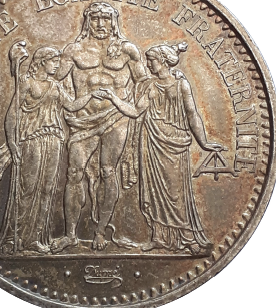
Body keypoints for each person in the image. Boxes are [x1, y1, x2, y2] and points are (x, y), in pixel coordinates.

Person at [95, 42, 224, 256]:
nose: (148, 65)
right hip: (152, 142)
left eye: (151, 60)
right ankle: (159, 237)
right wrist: (113, 98)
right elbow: (135, 111)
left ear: (163, 61)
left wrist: (203, 142)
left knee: (176, 193)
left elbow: (192, 114)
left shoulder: (181, 84)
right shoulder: (150, 86)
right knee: (154, 192)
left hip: (175, 144)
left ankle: (188, 237)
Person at [50, 2, 148, 253]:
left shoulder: (128, 50)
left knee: (108, 171)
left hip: (116, 118)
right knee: (74, 173)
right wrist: (70, 104)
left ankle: (101, 231)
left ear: (114, 22)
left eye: (105, 19)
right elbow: (54, 80)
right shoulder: (74, 50)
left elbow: (144, 82)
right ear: (87, 22)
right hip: (83, 119)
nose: (100, 24)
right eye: (95, 19)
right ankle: (70, 234)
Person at [0, 46, 97, 255]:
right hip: (32, 139)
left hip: (53, 139)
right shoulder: (27, 83)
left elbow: (72, 106)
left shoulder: (55, 86)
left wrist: (92, 95)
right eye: (53, 60)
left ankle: (36, 239)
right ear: (41, 62)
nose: (57, 64)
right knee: (28, 189)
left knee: (47, 190)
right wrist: (12, 143)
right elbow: (12, 114)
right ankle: (16, 237)